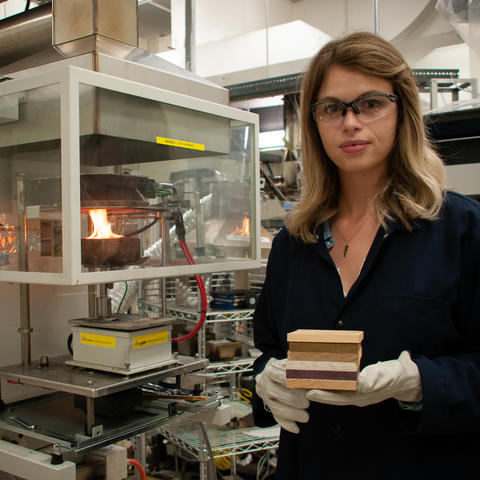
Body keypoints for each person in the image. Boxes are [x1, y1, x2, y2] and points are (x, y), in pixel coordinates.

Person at [252, 31, 480, 480]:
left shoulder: (461, 231)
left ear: (403, 112)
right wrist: (265, 381)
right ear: (315, 123)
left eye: (371, 104)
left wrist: (422, 383)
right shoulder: (292, 245)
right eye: (332, 108)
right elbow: (271, 351)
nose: (351, 123)